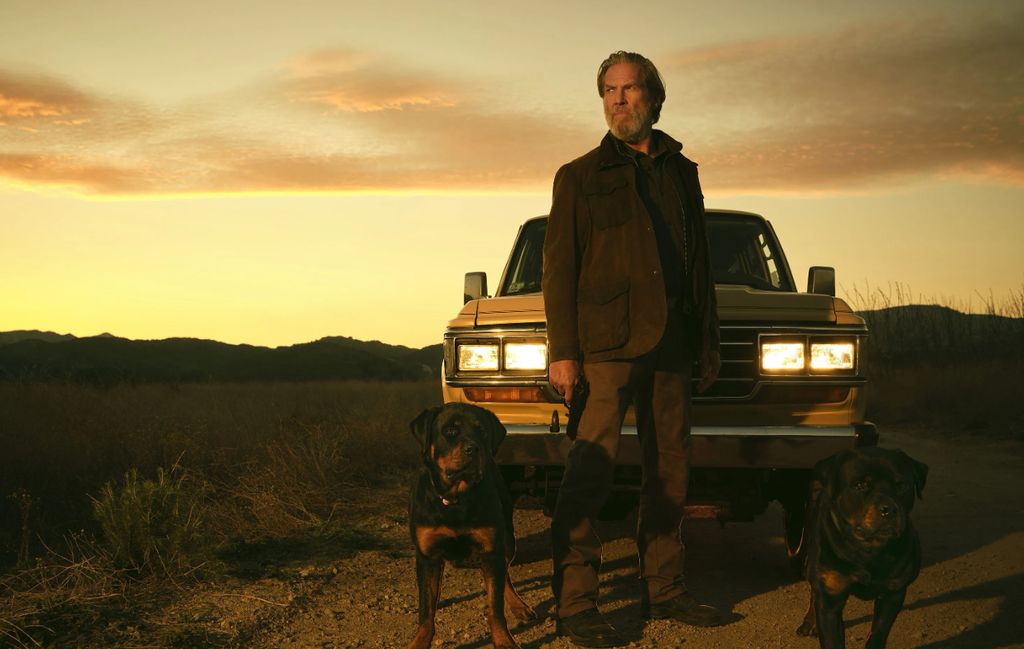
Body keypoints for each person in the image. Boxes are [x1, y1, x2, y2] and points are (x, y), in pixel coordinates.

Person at [542, 51, 722, 648]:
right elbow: (558, 270)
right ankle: (575, 604)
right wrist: (563, 352)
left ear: (655, 97)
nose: (620, 100)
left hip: (674, 342)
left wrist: (707, 340)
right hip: (605, 347)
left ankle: (665, 590)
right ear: (603, 101)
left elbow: (700, 266)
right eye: (610, 91)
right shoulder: (579, 176)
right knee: (589, 471)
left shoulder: (683, 170)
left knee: (669, 472)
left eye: (631, 89)